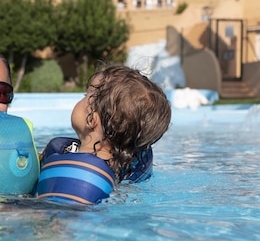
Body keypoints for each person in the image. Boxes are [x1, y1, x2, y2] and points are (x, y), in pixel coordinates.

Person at [36, 63, 172, 205]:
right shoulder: (135, 165)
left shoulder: (80, 172)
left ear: (91, 119)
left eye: (86, 95)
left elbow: (58, 217)